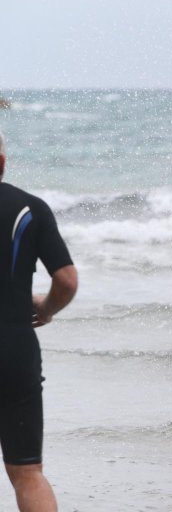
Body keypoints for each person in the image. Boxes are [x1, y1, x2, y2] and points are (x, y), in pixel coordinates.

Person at [0, 130, 78, 512]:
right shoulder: (29, 209)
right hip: (14, 348)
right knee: (28, 472)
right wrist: (45, 308)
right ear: (1, 162)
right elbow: (66, 280)